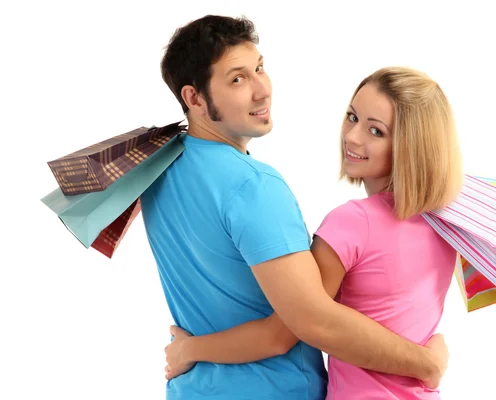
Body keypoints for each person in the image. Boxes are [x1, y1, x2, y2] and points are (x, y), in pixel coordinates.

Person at [141, 14, 450, 400]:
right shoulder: (254, 186)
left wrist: (190, 350)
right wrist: (428, 364)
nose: (262, 91)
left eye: (259, 69)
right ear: (194, 98)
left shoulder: (155, 171)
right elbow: (304, 325)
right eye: (237, 79)